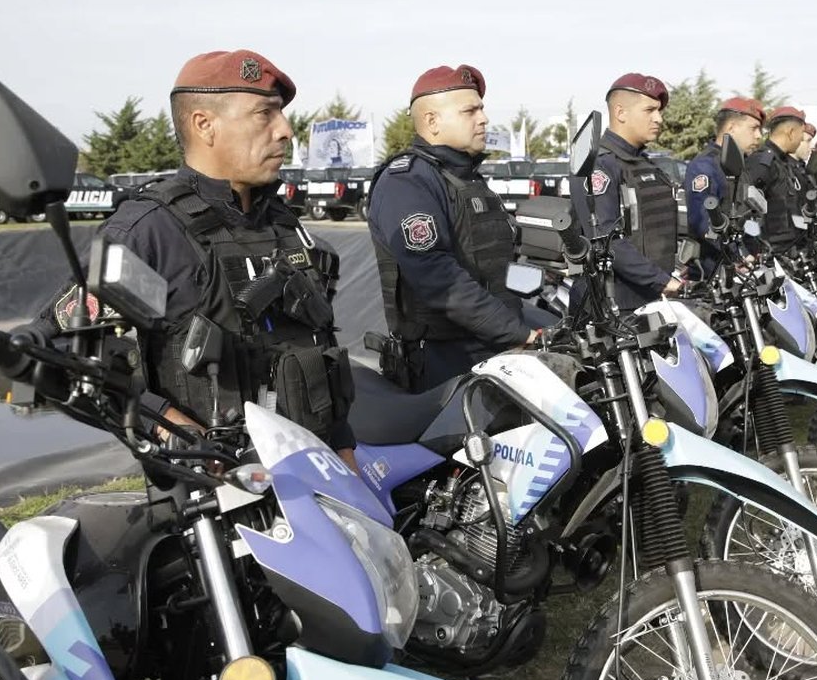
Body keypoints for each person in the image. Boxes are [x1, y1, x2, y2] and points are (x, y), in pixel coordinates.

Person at [32, 49, 358, 469]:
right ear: (204, 125)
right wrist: (165, 424)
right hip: (213, 491)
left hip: (315, 474)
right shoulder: (150, 232)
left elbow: (319, 349)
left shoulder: (285, 225)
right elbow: (59, 352)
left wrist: (344, 450)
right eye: (265, 114)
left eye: (281, 114)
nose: (285, 130)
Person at [367, 64, 540, 391]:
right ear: (432, 121)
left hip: (497, 349)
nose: (483, 119)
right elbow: (436, 276)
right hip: (444, 364)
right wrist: (518, 334)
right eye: (470, 111)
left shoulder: (466, 179)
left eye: (482, 109)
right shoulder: (407, 181)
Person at [569, 72, 682, 310]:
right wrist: (662, 281)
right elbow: (606, 239)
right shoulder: (599, 164)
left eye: (659, 111)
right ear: (621, 113)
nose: (659, 118)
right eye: (649, 110)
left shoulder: (644, 164)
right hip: (614, 305)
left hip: (651, 296)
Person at [684, 97, 764, 277]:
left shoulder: (739, 166)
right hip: (714, 272)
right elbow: (703, 222)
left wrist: (755, 247)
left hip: (743, 268)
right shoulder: (705, 165)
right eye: (753, 128)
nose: (759, 135)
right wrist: (739, 255)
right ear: (731, 128)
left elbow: (747, 216)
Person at [744, 105, 809, 252]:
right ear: (791, 132)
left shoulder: (784, 163)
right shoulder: (763, 162)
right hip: (771, 251)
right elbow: (746, 211)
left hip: (790, 249)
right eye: (801, 134)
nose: (801, 140)